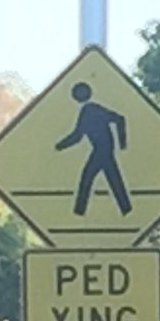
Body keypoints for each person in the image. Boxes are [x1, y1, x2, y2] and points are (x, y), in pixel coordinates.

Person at [53, 81, 131, 218]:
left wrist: (122, 143)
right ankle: (126, 209)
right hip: (102, 149)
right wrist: (60, 146)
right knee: (112, 179)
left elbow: (120, 119)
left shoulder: (91, 110)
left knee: (88, 178)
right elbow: (78, 135)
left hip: (102, 150)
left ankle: (79, 211)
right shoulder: (89, 110)